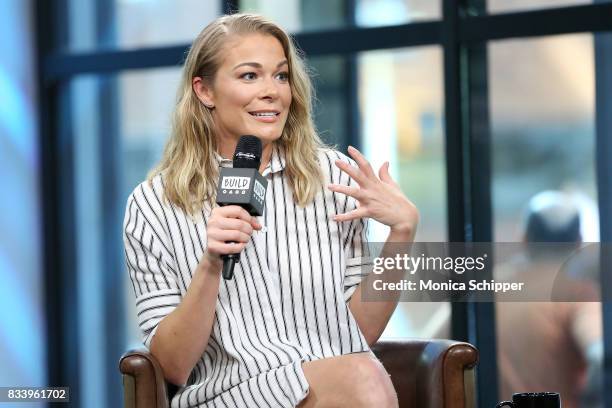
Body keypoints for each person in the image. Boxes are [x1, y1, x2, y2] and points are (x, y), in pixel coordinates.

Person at [123, 13, 418, 408]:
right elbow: (173, 366)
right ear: (204, 90)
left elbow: (357, 335)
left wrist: (402, 233)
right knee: (362, 376)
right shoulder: (154, 204)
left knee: (361, 371)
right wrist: (211, 264)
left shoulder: (330, 177)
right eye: (250, 76)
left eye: (280, 76)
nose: (272, 92)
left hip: (339, 387)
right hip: (228, 395)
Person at [496, 191, 602, 408]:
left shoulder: (491, 285)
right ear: (579, 241)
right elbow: (600, 353)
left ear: (523, 239)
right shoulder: (577, 293)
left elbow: (434, 348)